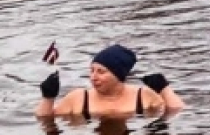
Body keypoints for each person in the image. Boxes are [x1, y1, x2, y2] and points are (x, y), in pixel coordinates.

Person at [34, 44, 185, 119]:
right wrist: (48, 98)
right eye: (92, 70)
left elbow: (176, 111)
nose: (93, 77)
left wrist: (165, 89)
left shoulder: (142, 95)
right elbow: (44, 119)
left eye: (101, 72)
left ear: (118, 76)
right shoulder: (78, 98)